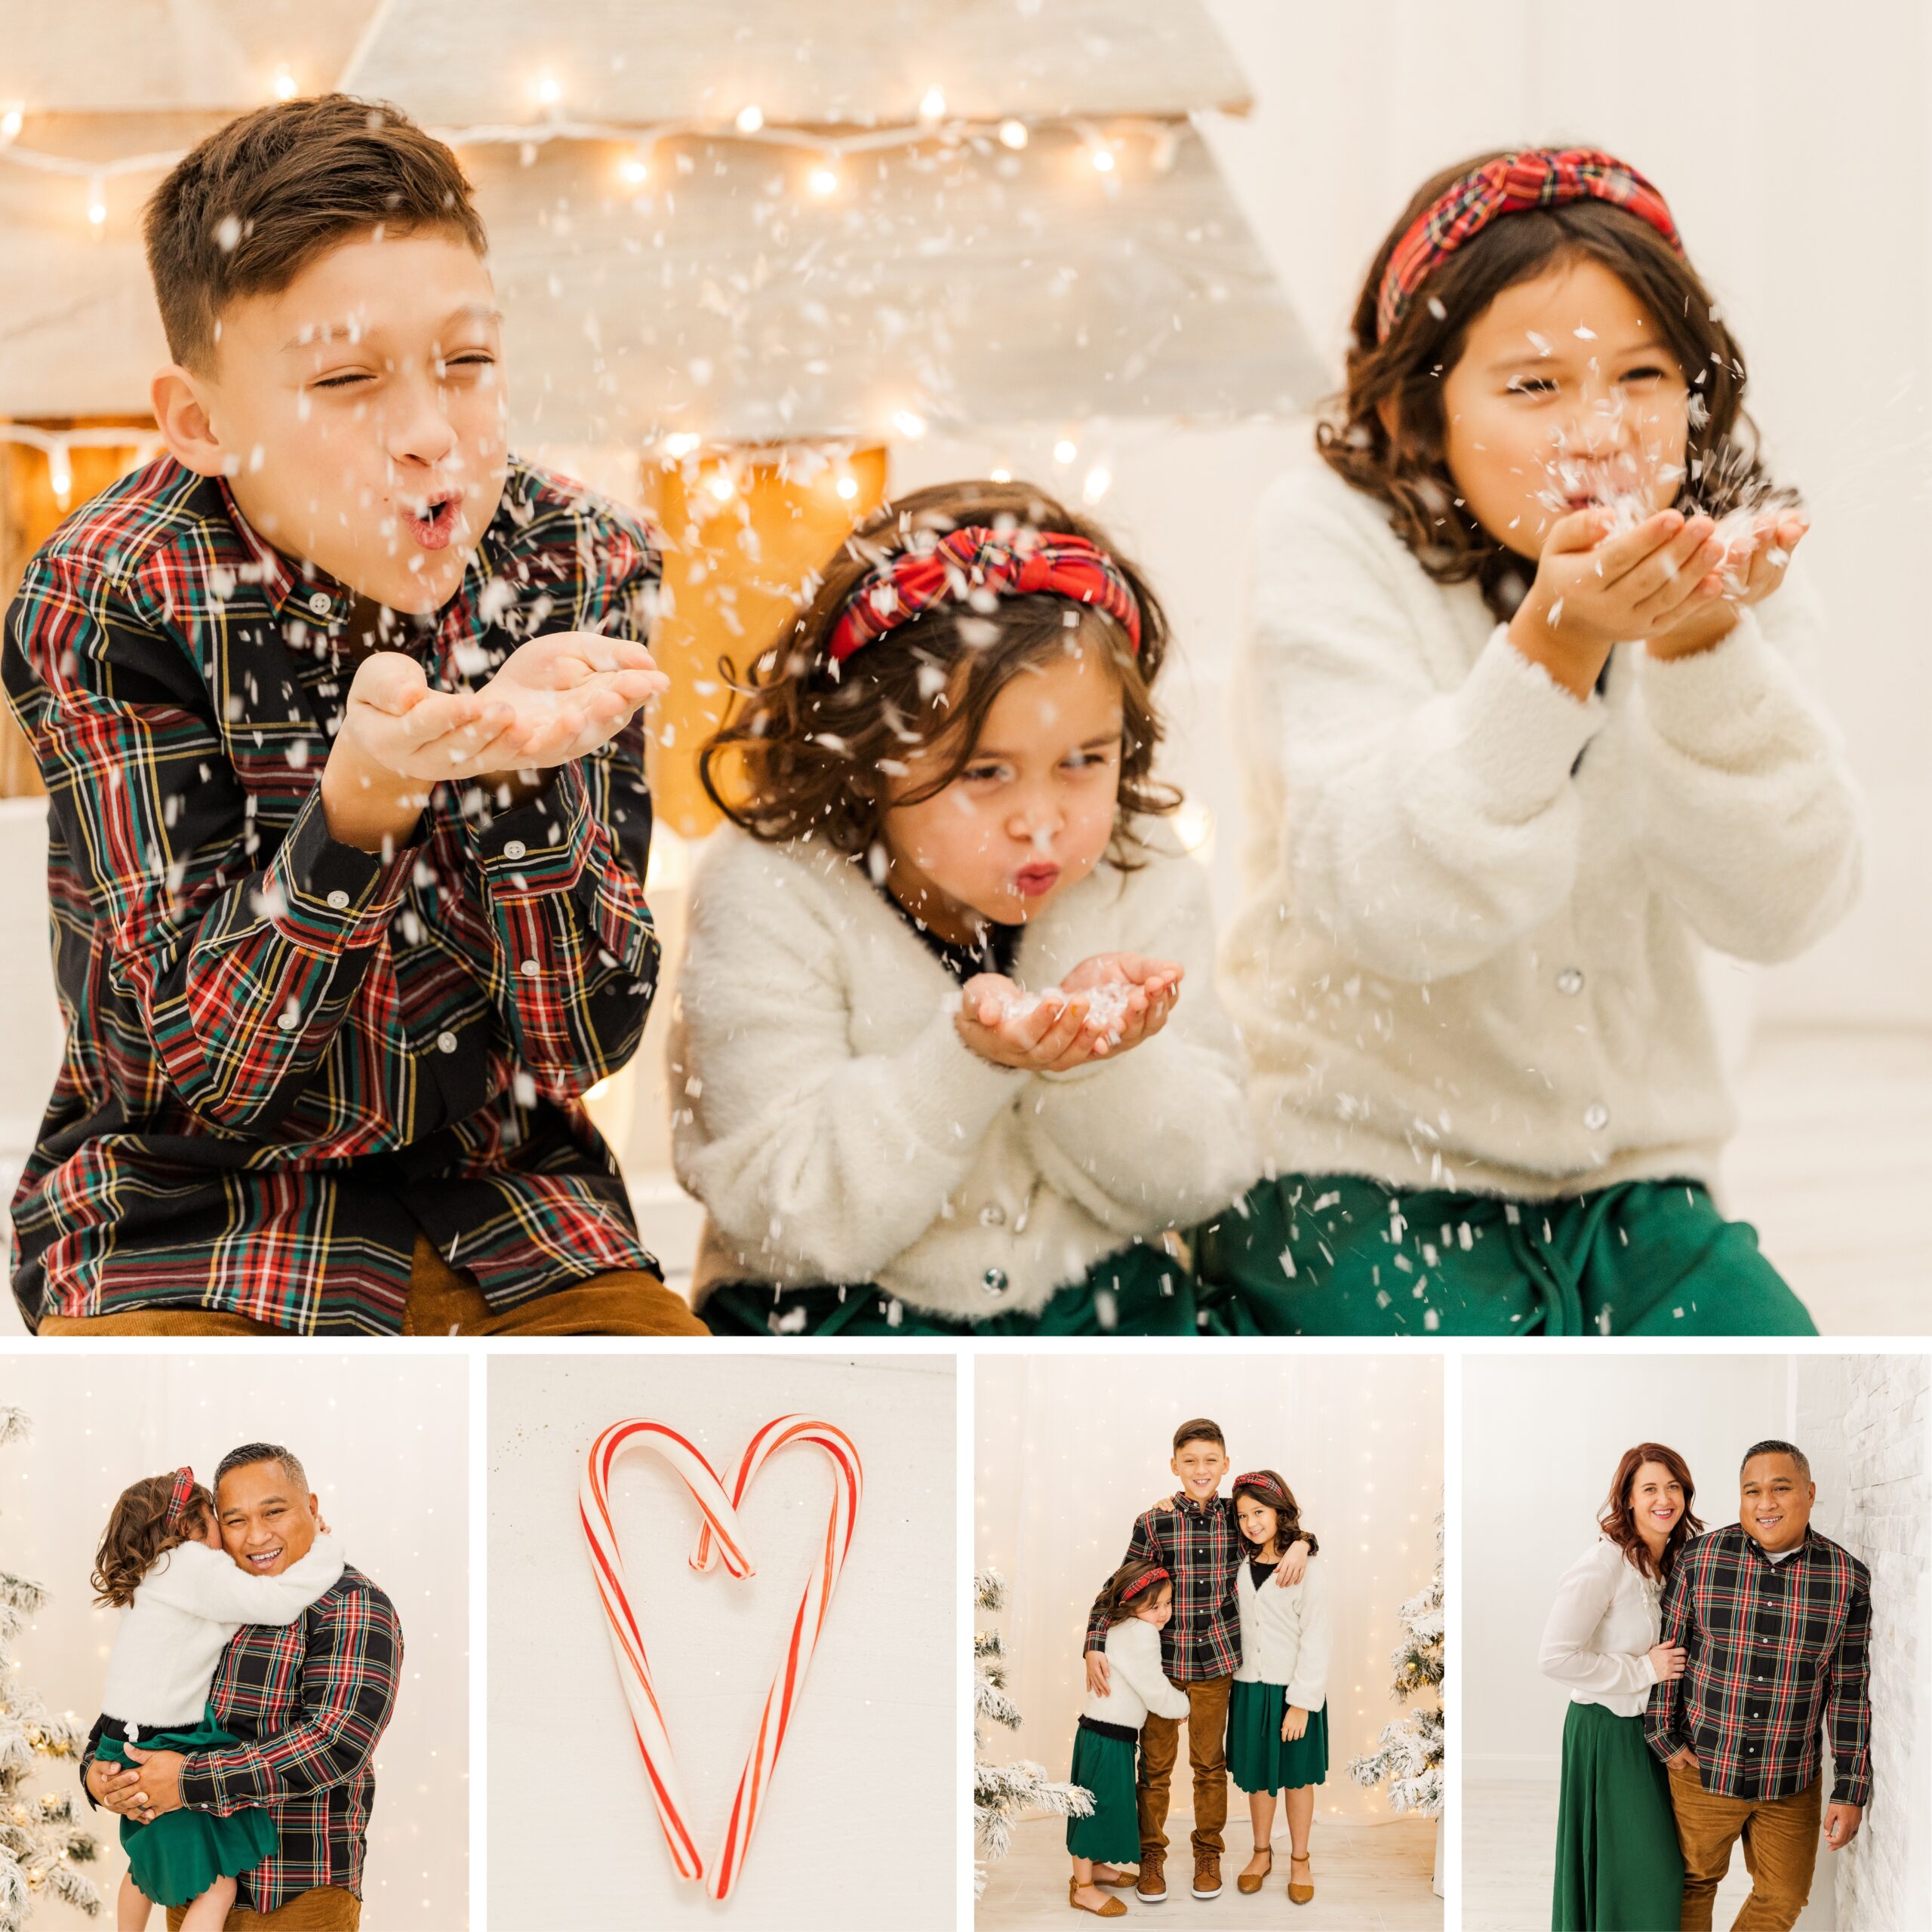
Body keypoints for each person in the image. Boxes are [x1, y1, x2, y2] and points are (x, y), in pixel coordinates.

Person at [2, 91, 706, 1337]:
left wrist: (515, 780)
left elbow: (589, 1037)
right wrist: (359, 813)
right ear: (204, 422)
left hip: (516, 1212)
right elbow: (213, 1080)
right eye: (346, 378)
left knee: (663, 1418)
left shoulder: (577, 559)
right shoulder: (112, 591)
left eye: (467, 362)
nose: (432, 435)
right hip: (187, 1227)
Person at [1201, 146, 1860, 1334]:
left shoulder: (1719, 554)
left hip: (1636, 1191)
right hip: (1354, 1166)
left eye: (1644, 376)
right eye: (1535, 387)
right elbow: (1383, 903)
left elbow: (1786, 905)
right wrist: (1552, 651)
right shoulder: (1332, 536)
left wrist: (1708, 651)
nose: (1601, 435)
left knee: (1780, 1397)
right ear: (1419, 406)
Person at [673, 479, 1258, 1335]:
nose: (1042, 820)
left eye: (1084, 760)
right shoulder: (767, 885)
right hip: (822, 1314)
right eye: (985, 773)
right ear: (868, 751)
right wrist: (966, 1062)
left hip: (1097, 1297)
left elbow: (1204, 1175)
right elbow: (785, 1215)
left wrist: (1092, 1059)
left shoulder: (1142, 865)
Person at [83, 1444, 401, 1932]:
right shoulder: (207, 1593)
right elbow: (145, 1694)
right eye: (234, 1521)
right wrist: (99, 1776)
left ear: (312, 1510)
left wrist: (185, 1780)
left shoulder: (351, 1604)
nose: (256, 1535)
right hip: (193, 1882)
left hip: (297, 1894)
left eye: (274, 1511)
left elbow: (333, 1745)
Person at [1646, 1439, 1872, 1932]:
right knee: (1690, 1885)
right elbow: (1669, 1651)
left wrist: (1852, 1787)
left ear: (1809, 1493)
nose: (1764, 1503)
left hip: (1789, 1778)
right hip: (1701, 1767)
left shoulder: (1846, 1580)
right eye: (1752, 1491)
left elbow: (1850, 1692)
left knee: (1783, 1896)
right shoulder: (1700, 1560)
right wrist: (1663, 1737)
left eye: (1780, 1488)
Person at [1082, 1419, 1309, 1904]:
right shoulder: (1154, 1521)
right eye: (1190, 1462)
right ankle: (1151, 1857)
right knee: (1155, 1769)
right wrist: (1093, 1642)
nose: (1201, 1470)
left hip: (1219, 1665)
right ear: (1174, 1467)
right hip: (1162, 1668)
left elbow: (1282, 1529)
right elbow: (1118, 1589)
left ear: (1226, 1465)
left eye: (1211, 1461)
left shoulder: (1239, 1517)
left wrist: (1306, 1543)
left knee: (1210, 1766)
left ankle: (1209, 1853)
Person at [1540, 1444, 1700, 1930]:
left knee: (1650, 1870)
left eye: (1673, 1487)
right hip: (1608, 1731)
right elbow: (1554, 1657)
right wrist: (1643, 1671)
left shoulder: (1673, 1562)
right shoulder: (1603, 1564)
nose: (1664, 1499)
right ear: (1627, 1500)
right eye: (1649, 1488)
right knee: (1646, 1869)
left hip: (1654, 1732)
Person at [1226, 1469, 1330, 1906]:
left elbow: (1317, 1638)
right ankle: (1261, 1853)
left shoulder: (1306, 1567)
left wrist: (1303, 1703)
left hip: (1293, 1692)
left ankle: (1301, 1858)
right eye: (1244, 1515)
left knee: (1296, 1779)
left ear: (1279, 1509)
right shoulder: (1236, 1561)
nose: (1252, 1523)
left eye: (1260, 1511)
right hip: (1249, 1689)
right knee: (1258, 1780)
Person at [1066, 1560, 1191, 1918]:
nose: (1164, 1613)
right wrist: (1183, 1705)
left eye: (1168, 1603)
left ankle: (1097, 1867)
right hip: (1107, 1737)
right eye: (1155, 1606)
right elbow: (1153, 1689)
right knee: (1094, 1809)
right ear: (1130, 1605)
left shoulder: (1119, 1627)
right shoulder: (1141, 1633)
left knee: (1105, 1805)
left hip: (1104, 1733)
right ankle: (1084, 1888)